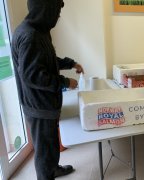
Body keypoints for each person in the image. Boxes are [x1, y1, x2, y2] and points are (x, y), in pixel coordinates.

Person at [11, 0, 84, 179]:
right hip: (39, 105)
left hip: (43, 103)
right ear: (45, 9)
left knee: (50, 144)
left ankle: (53, 169)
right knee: (44, 150)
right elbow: (33, 76)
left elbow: (47, 60)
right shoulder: (30, 37)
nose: (58, 16)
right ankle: (47, 174)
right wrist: (65, 82)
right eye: (56, 11)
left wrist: (70, 63)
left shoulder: (39, 31)